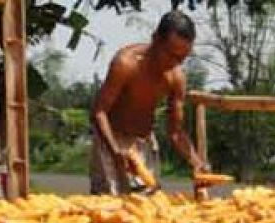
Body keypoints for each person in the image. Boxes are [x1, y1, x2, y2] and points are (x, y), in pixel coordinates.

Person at [89, 10, 208, 195]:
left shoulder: (176, 77)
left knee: (149, 208)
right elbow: (99, 112)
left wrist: (196, 161)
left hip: (144, 144)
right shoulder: (126, 64)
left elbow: (175, 131)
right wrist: (115, 150)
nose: (174, 63)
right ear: (155, 39)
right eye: (170, 55)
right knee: (109, 206)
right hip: (112, 140)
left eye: (181, 59)